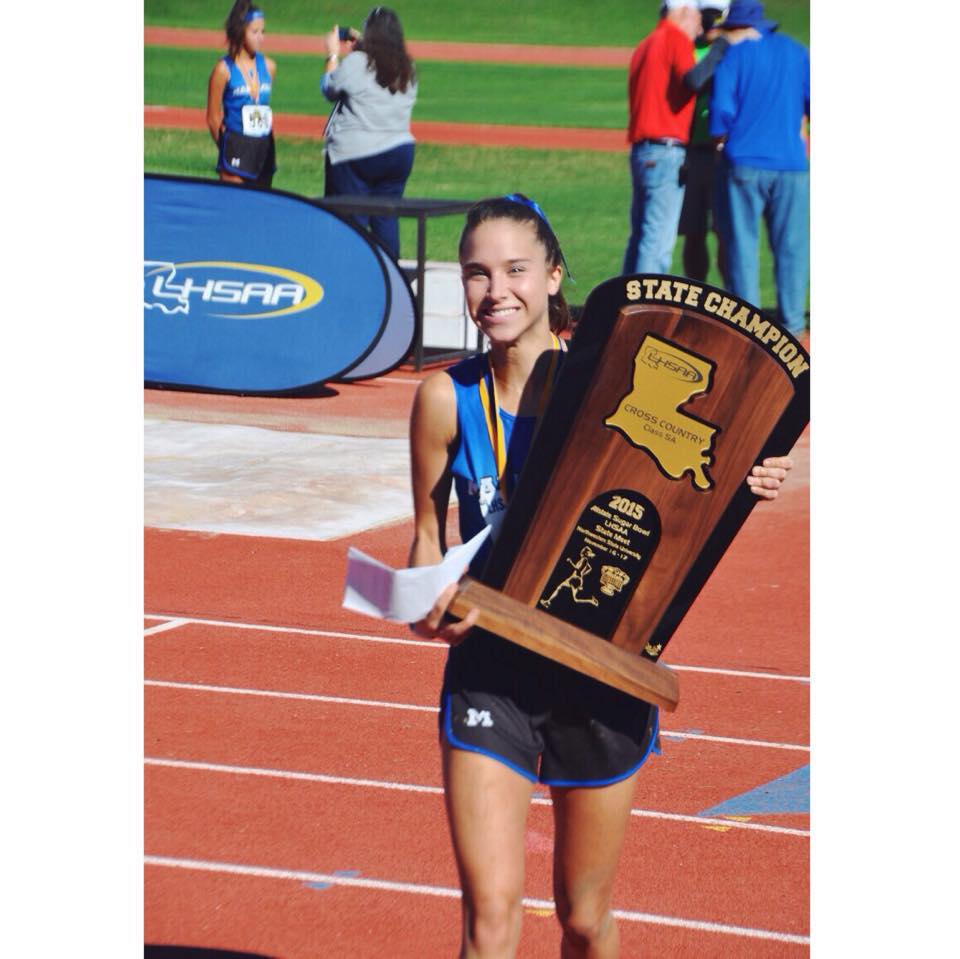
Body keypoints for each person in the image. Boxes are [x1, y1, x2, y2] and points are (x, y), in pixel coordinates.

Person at [408, 194, 793, 957]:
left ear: (554, 276)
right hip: (491, 667)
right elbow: (425, 539)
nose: (496, 292)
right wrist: (426, 602)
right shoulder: (443, 398)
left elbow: (704, 460)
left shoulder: (620, 380)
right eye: (477, 273)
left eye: (516, 269)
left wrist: (752, 472)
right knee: (491, 916)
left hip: (601, 673)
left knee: (583, 917)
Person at [622, 2, 759, 278]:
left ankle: (623, 303)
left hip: (643, 150)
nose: (700, 25)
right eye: (699, 17)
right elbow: (695, 79)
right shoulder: (676, 39)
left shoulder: (646, 43)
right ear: (683, 11)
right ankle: (643, 308)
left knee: (641, 236)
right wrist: (722, 46)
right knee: (657, 243)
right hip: (666, 150)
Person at [709, 0, 810, 336]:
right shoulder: (797, 52)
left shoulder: (735, 56)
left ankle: (749, 332)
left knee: (742, 248)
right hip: (791, 165)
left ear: (743, 28)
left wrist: (721, 142)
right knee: (791, 249)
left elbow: (721, 112)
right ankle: (793, 330)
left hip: (744, 165)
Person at [321, 7, 418, 260]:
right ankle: (391, 275)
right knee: (386, 218)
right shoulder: (407, 68)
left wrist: (333, 54)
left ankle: (353, 273)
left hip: (356, 154)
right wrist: (362, 47)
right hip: (399, 153)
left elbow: (329, 88)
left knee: (350, 222)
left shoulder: (357, 63)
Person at [677, 1, 760, 281]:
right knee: (694, 231)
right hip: (695, 150)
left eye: (717, 16)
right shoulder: (691, 48)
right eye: (707, 15)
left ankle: (728, 304)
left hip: (727, 153)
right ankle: (695, 295)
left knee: (727, 233)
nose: (711, 23)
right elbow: (694, 80)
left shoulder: (740, 51)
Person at [205, 1, 277, 188]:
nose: (261, 37)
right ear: (240, 32)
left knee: (261, 208)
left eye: (263, 32)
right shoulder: (223, 70)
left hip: (263, 147)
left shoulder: (269, 67)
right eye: (254, 32)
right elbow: (213, 118)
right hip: (236, 147)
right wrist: (227, 148)